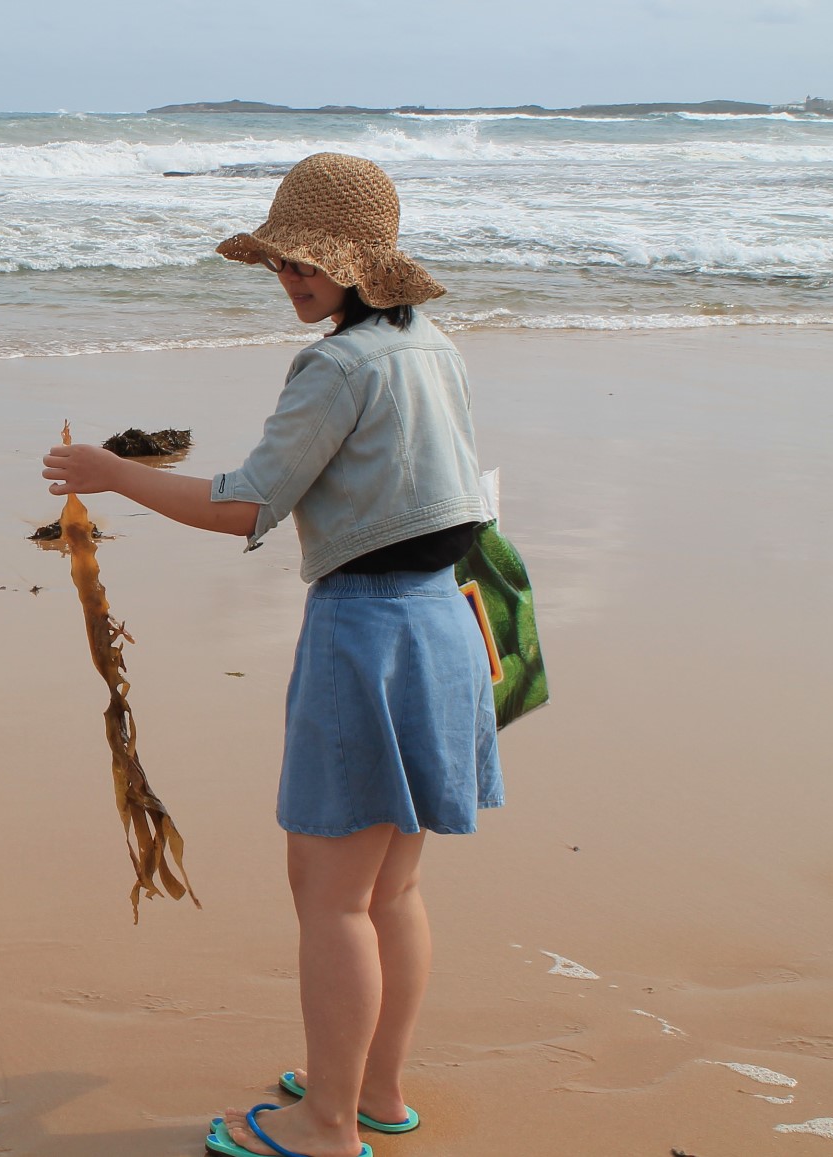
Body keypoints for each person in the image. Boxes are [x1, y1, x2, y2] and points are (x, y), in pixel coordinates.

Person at [41, 153, 503, 1157]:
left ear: (356, 262)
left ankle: (325, 1124)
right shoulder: (428, 342)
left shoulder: (335, 367)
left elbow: (245, 504)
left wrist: (109, 473)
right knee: (391, 892)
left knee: (329, 896)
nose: (289, 278)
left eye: (305, 261)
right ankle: (372, 1090)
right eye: (279, 261)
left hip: (368, 635)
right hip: (442, 625)